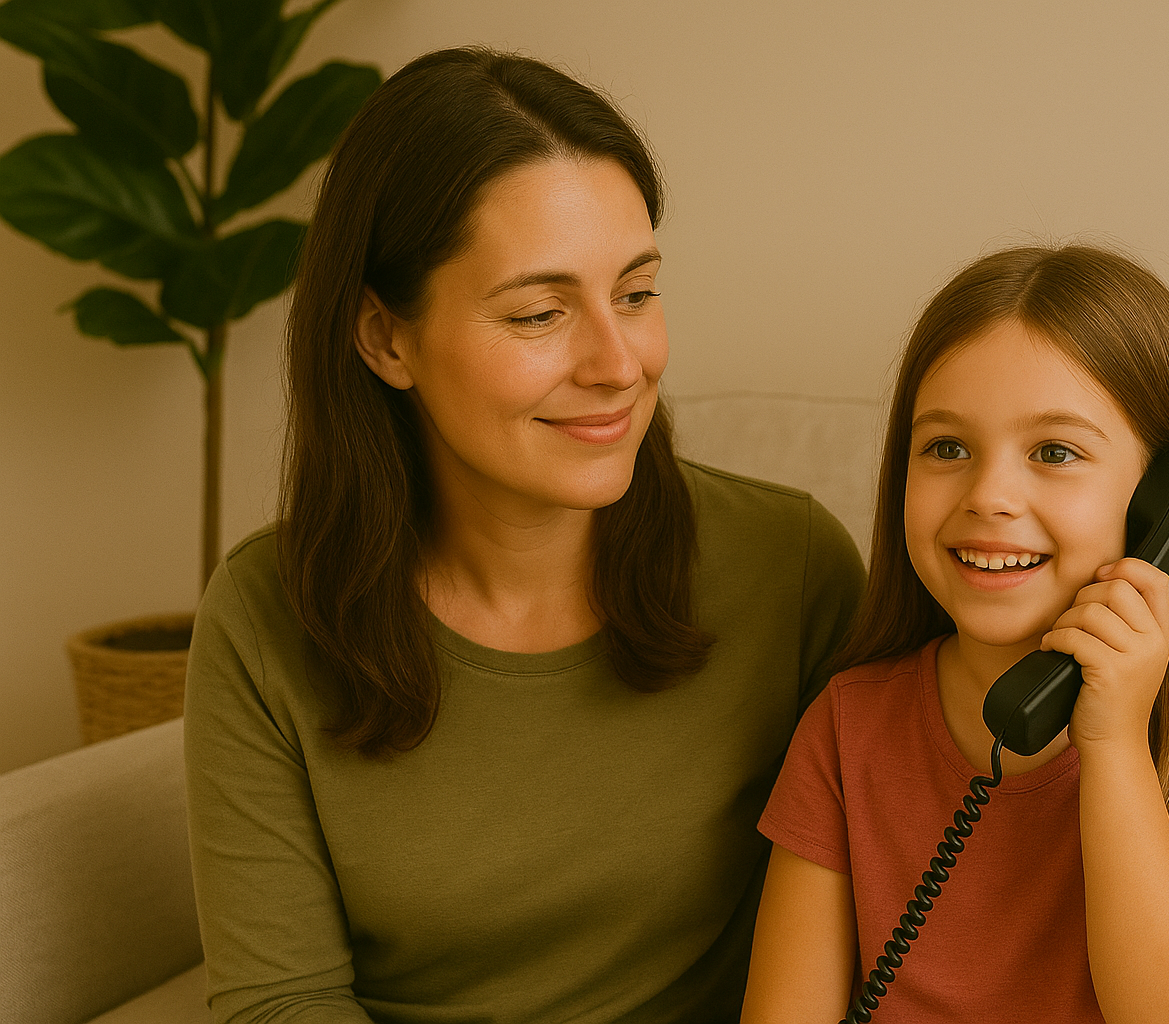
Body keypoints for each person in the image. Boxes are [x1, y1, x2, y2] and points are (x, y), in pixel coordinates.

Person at [182, 47, 864, 1024]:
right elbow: (279, 1003)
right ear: (385, 338)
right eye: (541, 312)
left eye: (635, 292)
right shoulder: (262, 617)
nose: (619, 361)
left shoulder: (792, 567)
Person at [740, 245, 1169, 1023]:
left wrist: (1112, 745)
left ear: (1168, 503)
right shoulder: (848, 726)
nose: (990, 494)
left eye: (1054, 452)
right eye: (947, 448)